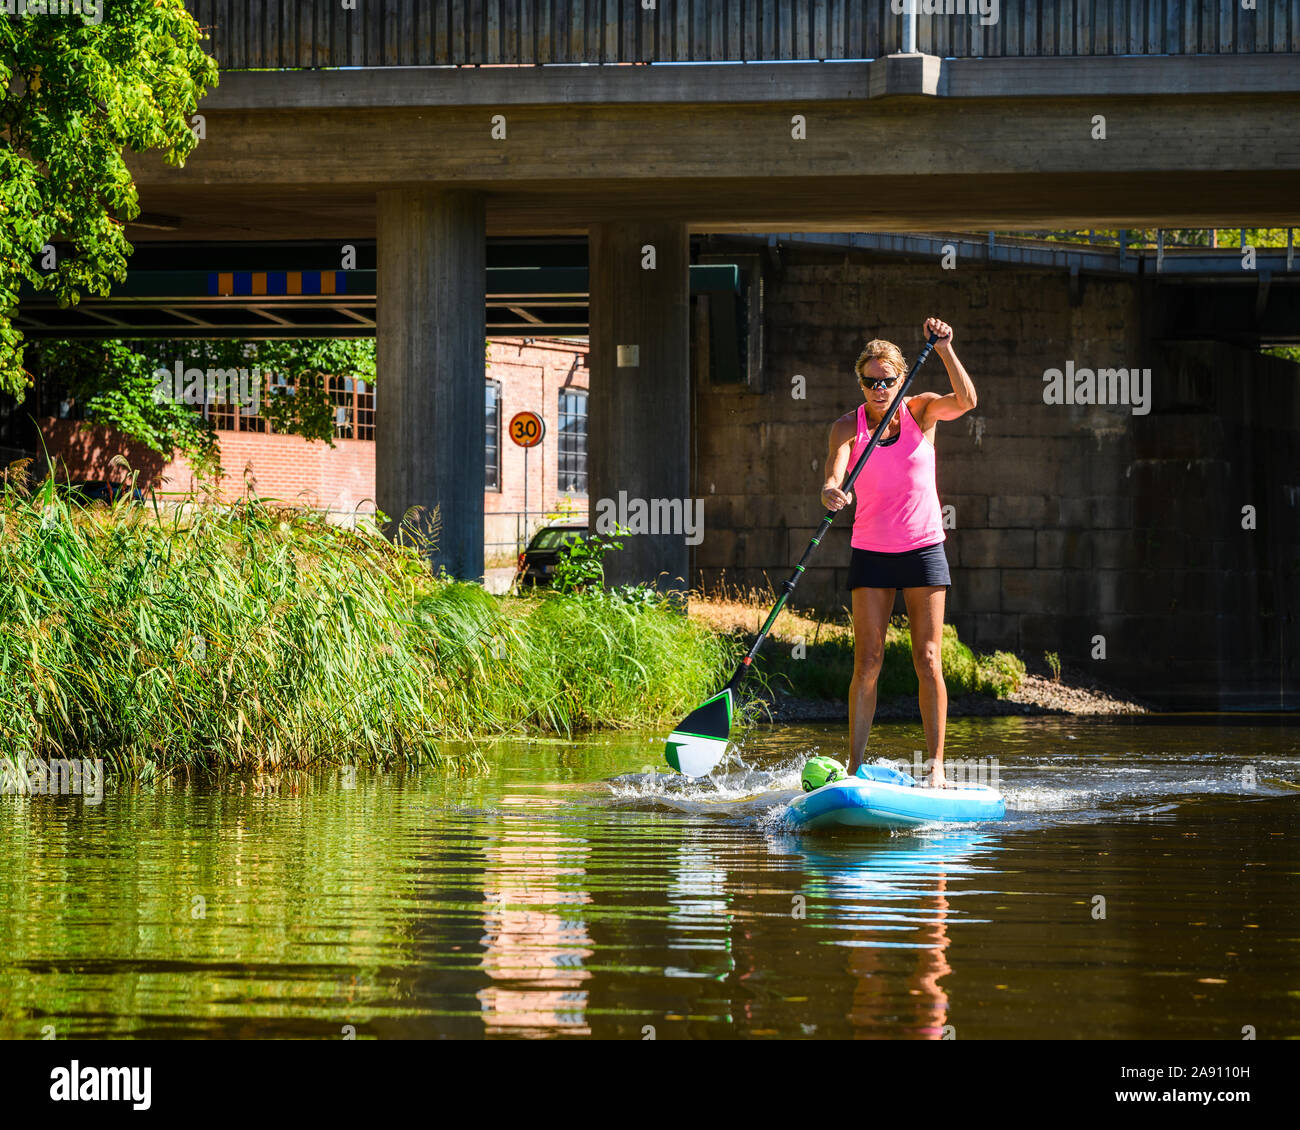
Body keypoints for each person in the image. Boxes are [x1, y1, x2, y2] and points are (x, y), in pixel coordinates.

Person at [820, 317, 977, 787]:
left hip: (923, 549)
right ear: (860, 382)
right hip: (871, 551)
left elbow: (968, 401)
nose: (879, 389)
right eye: (870, 382)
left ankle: (936, 767)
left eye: (887, 380)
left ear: (901, 378)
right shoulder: (847, 426)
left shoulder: (921, 410)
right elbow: (834, 473)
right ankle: (853, 768)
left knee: (928, 658)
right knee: (867, 662)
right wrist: (831, 492)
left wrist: (946, 348)